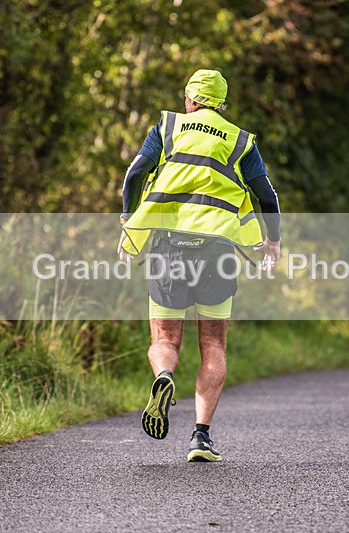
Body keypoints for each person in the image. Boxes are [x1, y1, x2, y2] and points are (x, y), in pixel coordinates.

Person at [117, 69, 281, 462]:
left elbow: (135, 174)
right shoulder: (240, 140)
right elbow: (267, 195)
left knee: (164, 340)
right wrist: (272, 241)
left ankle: (164, 377)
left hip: (169, 247)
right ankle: (200, 438)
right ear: (221, 105)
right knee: (213, 343)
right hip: (217, 251)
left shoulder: (168, 127)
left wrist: (127, 219)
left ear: (190, 99)